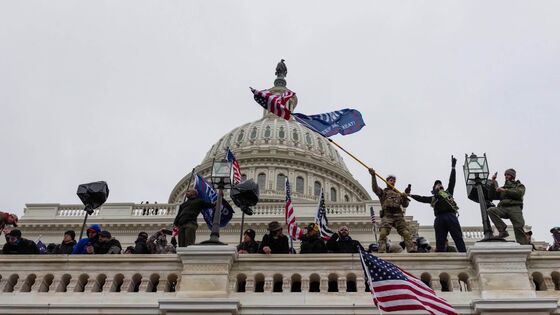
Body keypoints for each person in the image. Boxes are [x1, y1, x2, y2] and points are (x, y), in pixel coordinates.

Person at [409, 156, 467, 252]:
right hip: (439, 218)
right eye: (437, 184)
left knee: (458, 237)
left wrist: (453, 168)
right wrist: (411, 195)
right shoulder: (433, 198)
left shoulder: (448, 193)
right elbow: (421, 198)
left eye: (440, 183)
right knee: (440, 241)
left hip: (451, 216)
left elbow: (452, 181)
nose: (439, 184)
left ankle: (464, 253)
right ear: (434, 188)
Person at [368, 168, 414, 253]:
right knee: (383, 233)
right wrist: (373, 176)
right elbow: (375, 189)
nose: (392, 182)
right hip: (387, 215)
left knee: (406, 233)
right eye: (391, 180)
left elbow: (405, 205)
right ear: (386, 181)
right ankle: (381, 250)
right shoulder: (383, 193)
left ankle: (411, 249)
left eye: (394, 181)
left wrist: (404, 196)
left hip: (398, 216)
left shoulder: (399, 194)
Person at [487, 168, 528, 244]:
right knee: (491, 210)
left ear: (513, 176)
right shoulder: (503, 187)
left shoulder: (519, 186)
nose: (506, 176)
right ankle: (502, 231)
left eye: (508, 174)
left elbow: (518, 193)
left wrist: (504, 190)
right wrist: (493, 182)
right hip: (503, 208)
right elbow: (491, 196)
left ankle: (524, 245)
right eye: (505, 175)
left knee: (518, 227)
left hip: (515, 208)